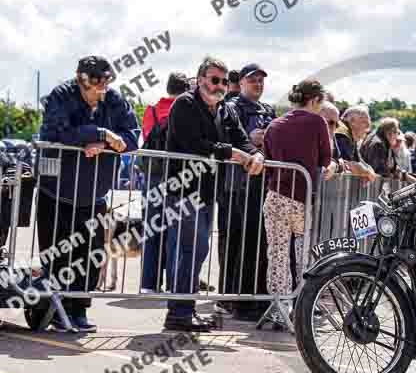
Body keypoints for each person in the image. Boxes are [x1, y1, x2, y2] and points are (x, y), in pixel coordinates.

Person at [37, 55, 139, 332]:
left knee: (91, 253)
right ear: (79, 77)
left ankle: (79, 309)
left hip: (94, 193)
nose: (99, 89)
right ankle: (56, 310)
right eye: (93, 82)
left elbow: (132, 137)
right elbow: (56, 132)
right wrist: (100, 133)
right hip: (55, 191)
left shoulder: (115, 99)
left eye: (104, 81)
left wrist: (104, 144)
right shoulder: (60, 95)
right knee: (57, 253)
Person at [163, 56, 264, 332]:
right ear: (200, 79)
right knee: (191, 250)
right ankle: (179, 313)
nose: (219, 86)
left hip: (208, 192)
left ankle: (183, 311)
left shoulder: (224, 109)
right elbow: (194, 144)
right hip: (182, 190)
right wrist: (231, 153)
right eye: (213, 80)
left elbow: (240, 137)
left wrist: (256, 155)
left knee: (196, 251)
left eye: (222, 81)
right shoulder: (184, 103)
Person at [262, 79, 333, 304]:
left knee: (277, 257)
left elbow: (268, 162)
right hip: (303, 199)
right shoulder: (317, 123)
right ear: (313, 100)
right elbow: (325, 159)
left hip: (276, 197)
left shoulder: (273, 125)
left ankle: (279, 307)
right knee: (304, 257)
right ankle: (304, 305)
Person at [225, 63, 277, 320]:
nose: (258, 83)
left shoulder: (268, 110)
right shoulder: (232, 107)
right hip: (238, 185)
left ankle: (257, 299)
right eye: (253, 79)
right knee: (240, 242)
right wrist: (249, 137)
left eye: (261, 79)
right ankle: (238, 301)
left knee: (261, 243)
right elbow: (224, 138)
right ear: (242, 83)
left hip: (264, 184)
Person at [140, 72, 190, 294]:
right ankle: (173, 283)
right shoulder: (186, 109)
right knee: (174, 230)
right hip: (177, 175)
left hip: (153, 173)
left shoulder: (151, 109)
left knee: (151, 228)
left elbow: (146, 135)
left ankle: (148, 283)